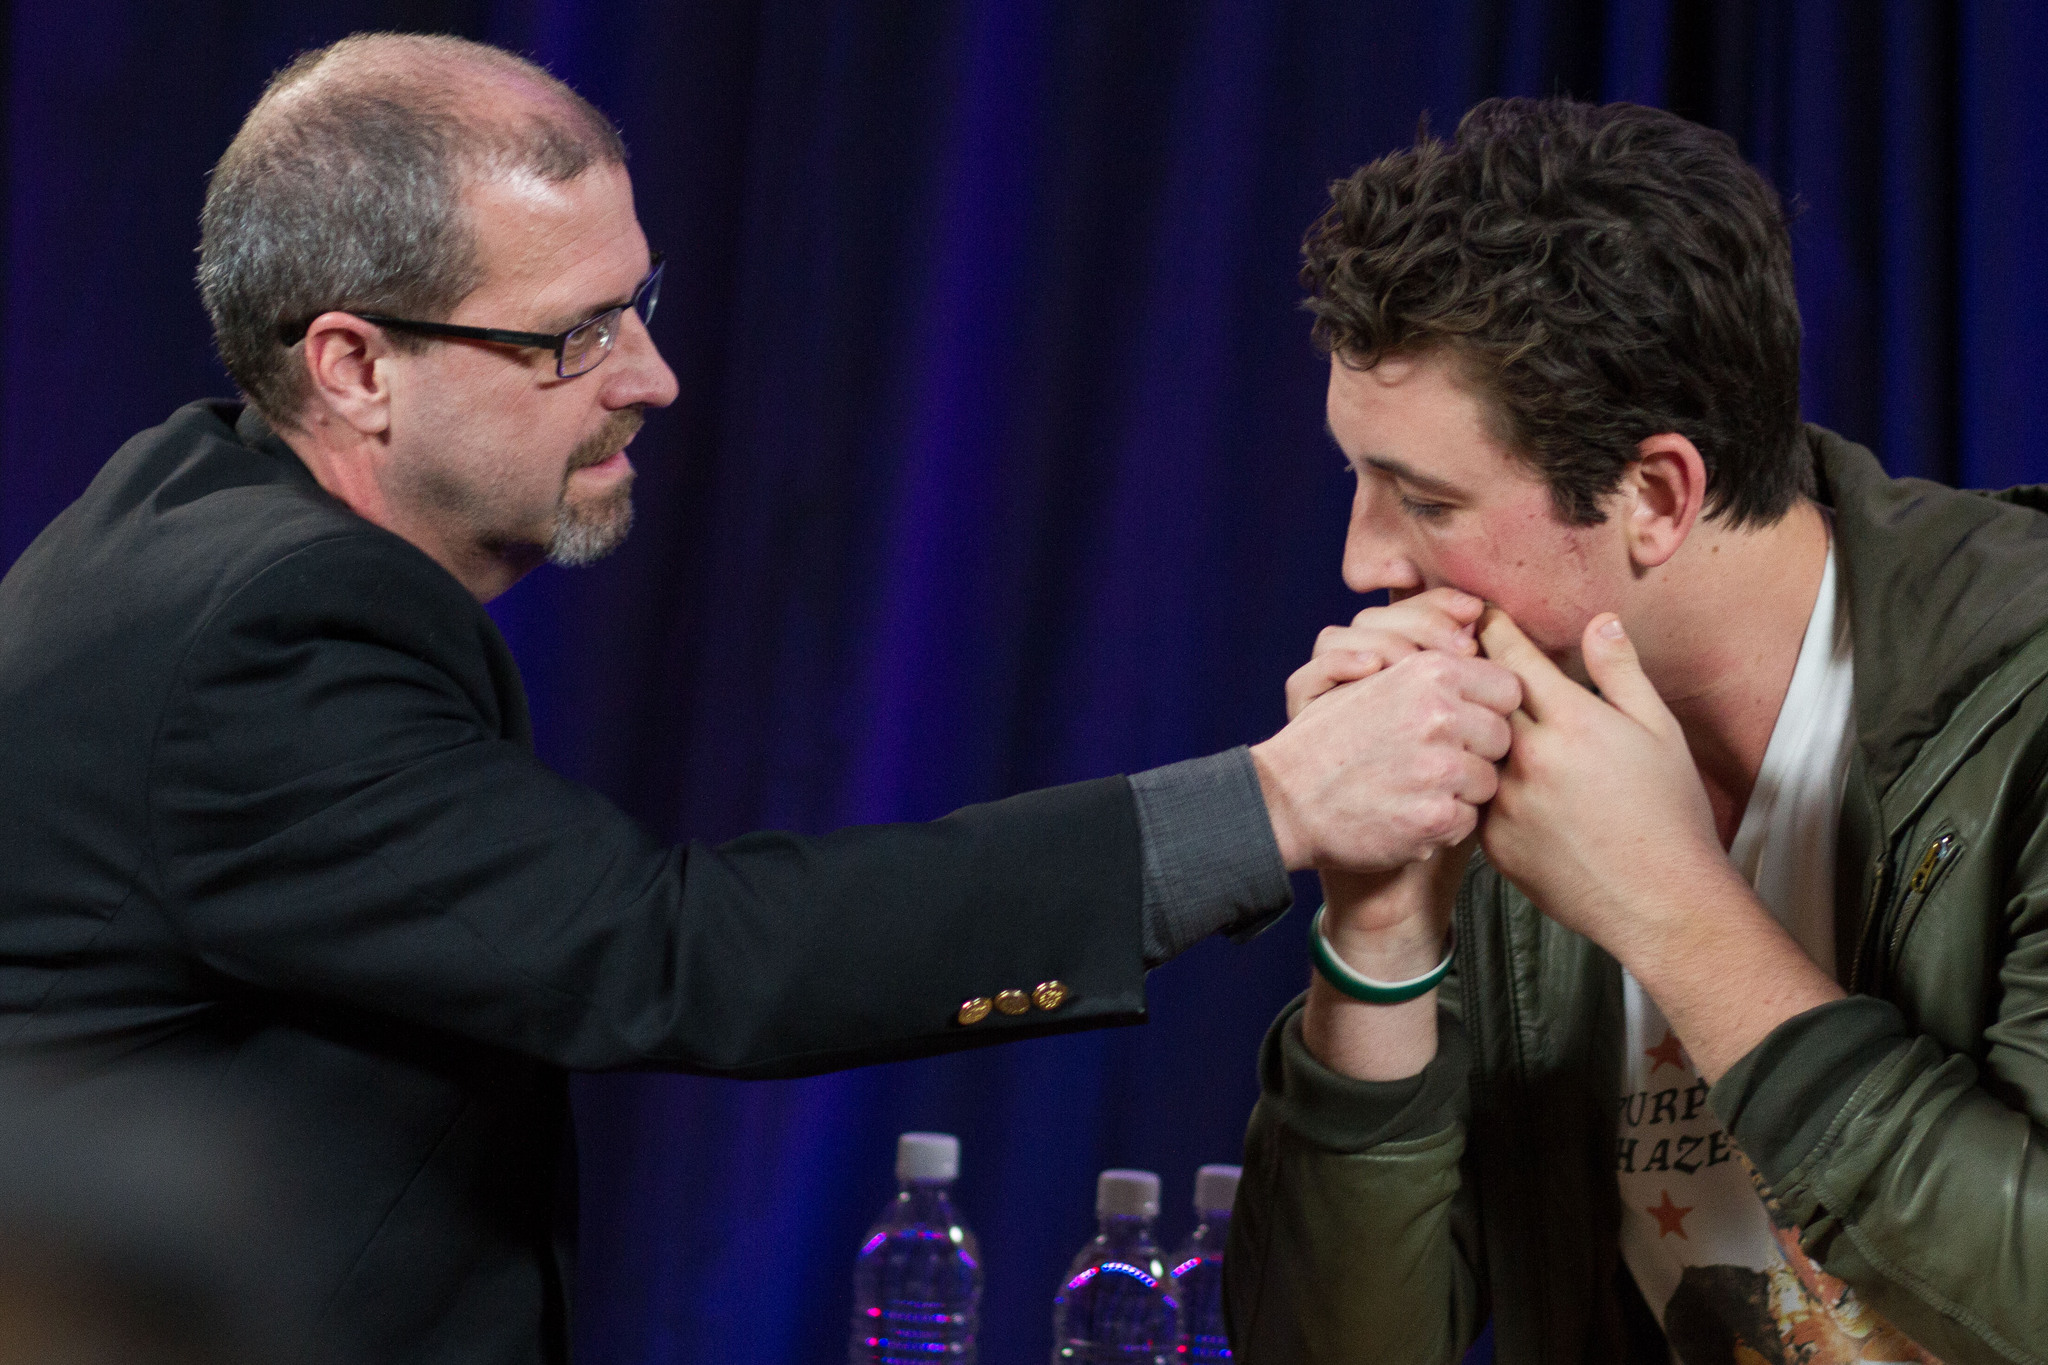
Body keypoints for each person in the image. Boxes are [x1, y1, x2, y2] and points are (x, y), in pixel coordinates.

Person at [0, 33, 1524, 1365]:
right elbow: (675, 955)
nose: (652, 376)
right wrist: (1274, 806)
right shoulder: (264, 629)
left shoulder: (196, 505)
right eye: (572, 335)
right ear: (351, 364)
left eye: (636, 300)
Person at [1225, 97, 2048, 1365]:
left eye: (1425, 498)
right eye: (1358, 476)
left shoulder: (2024, 693)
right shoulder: (1499, 729)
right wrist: (1377, 936)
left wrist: (1668, 904)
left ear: (1656, 495)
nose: (1360, 562)